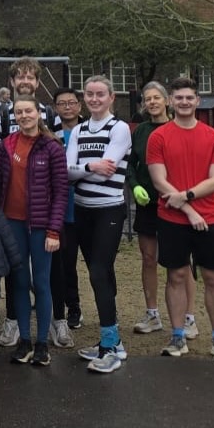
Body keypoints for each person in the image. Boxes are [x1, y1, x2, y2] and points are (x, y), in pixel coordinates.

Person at [147, 78, 214, 360]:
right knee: (175, 275)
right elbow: (159, 180)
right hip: (172, 218)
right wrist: (188, 209)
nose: (184, 102)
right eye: (179, 98)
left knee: (212, 277)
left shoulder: (213, 137)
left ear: (198, 101)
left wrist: (186, 196)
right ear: (171, 101)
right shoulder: (158, 137)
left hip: (209, 216)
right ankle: (177, 336)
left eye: (189, 97)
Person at [0, 95, 68, 366]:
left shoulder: (51, 147)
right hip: (12, 223)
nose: (24, 115)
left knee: (42, 282)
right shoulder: (7, 145)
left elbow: (61, 192)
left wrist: (53, 230)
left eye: (28, 111)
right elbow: (0, 185)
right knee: (19, 282)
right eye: (18, 112)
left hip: (40, 225)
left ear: (38, 113)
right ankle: (24, 339)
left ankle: (41, 343)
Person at [67, 75, 132, 375]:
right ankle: (113, 339)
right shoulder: (78, 130)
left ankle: (109, 345)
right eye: (89, 94)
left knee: (97, 273)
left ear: (111, 97)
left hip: (109, 209)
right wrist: (89, 167)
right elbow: (68, 172)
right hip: (83, 211)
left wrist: (86, 169)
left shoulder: (119, 129)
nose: (94, 99)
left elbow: (108, 169)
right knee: (100, 272)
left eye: (100, 94)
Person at [129, 81, 198, 340]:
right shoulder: (141, 131)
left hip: (175, 203)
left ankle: (189, 316)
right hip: (147, 204)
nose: (152, 103)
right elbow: (131, 164)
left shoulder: (177, 127)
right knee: (148, 258)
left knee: (180, 263)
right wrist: (135, 186)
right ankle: (152, 313)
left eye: (157, 98)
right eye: (148, 99)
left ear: (166, 100)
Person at [49, 86, 83, 343]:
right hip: (63, 206)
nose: (68, 107)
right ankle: (73, 307)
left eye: (72, 103)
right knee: (65, 263)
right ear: (56, 107)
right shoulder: (51, 132)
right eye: (62, 103)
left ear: (79, 106)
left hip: (88, 201)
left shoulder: (88, 128)